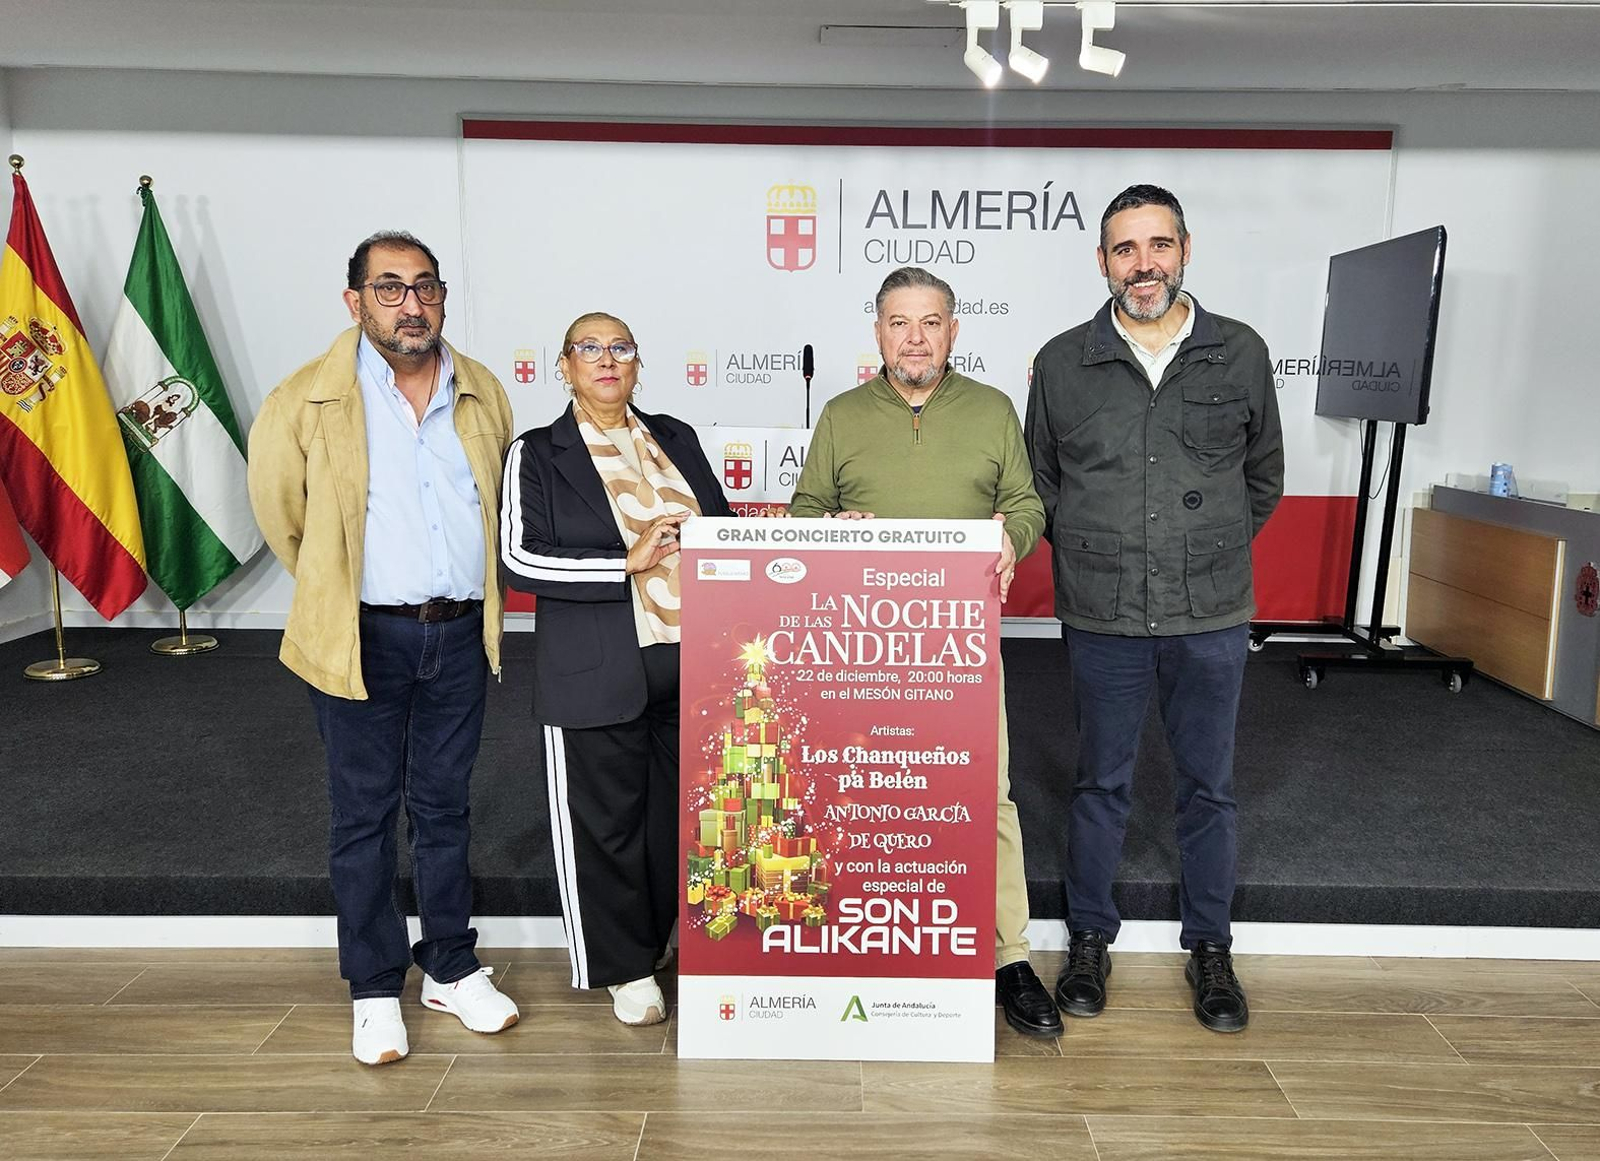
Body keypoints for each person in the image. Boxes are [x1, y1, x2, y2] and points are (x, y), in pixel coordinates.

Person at [248, 230, 519, 1066]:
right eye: (390, 287)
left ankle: (449, 964)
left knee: (444, 806)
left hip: (459, 634)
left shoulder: (483, 392)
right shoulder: (305, 400)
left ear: (443, 297)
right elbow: (282, 517)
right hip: (360, 635)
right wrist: (344, 589)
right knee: (362, 814)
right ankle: (374, 987)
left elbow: (497, 499)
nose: (412, 304)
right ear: (356, 300)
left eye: (426, 287)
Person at [1024, 184, 1284, 1033]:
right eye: (1125, 250)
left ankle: (1211, 945)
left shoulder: (1239, 352)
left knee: (1208, 787)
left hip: (1210, 614)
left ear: (1185, 249)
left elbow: (1262, 478)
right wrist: (1103, 552)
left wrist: (1202, 554)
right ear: (1102, 262)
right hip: (1102, 613)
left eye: (1158, 245)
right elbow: (1044, 486)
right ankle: (1090, 937)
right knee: (1101, 782)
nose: (1145, 265)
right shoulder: (1063, 362)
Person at [789, 266, 1061, 1039]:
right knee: (856, 795)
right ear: (878, 331)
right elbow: (805, 510)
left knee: (989, 795)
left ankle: (1008, 955)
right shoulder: (842, 415)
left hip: (960, 644)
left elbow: (1025, 501)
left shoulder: (992, 409)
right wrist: (833, 522)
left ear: (954, 330)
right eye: (900, 322)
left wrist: (1013, 536)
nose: (915, 337)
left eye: (930, 322)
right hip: (857, 644)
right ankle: (860, 946)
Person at [500, 312, 732, 1026]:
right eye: (590, 348)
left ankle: (657, 940)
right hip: (597, 665)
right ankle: (623, 967)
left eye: (621, 348)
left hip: (693, 662)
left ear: (638, 364)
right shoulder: (538, 452)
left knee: (677, 819)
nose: (607, 359)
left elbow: (725, 530)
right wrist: (621, 562)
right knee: (604, 823)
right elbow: (518, 556)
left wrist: (816, 537)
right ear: (564, 366)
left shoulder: (677, 437)